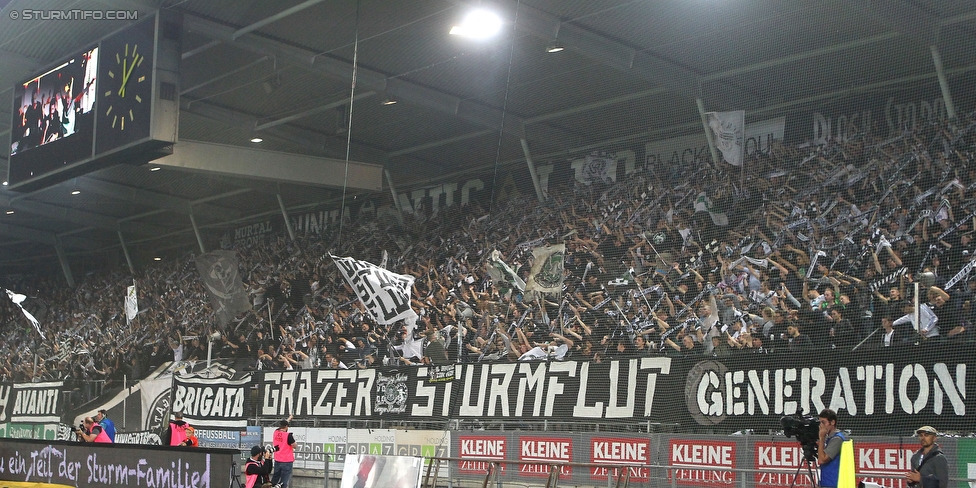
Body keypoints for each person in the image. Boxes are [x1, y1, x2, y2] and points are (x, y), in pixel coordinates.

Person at [817, 408, 847, 488]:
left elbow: (822, 459)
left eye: (823, 422)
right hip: (826, 481)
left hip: (833, 483)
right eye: (820, 423)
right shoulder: (829, 438)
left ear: (832, 422)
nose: (821, 426)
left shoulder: (837, 439)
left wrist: (821, 438)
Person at [271, 416, 297, 488]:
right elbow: (294, 446)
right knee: (283, 481)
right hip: (287, 460)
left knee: (275, 479)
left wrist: (289, 418)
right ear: (286, 427)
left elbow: (283, 426)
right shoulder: (288, 435)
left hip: (277, 459)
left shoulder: (276, 432)